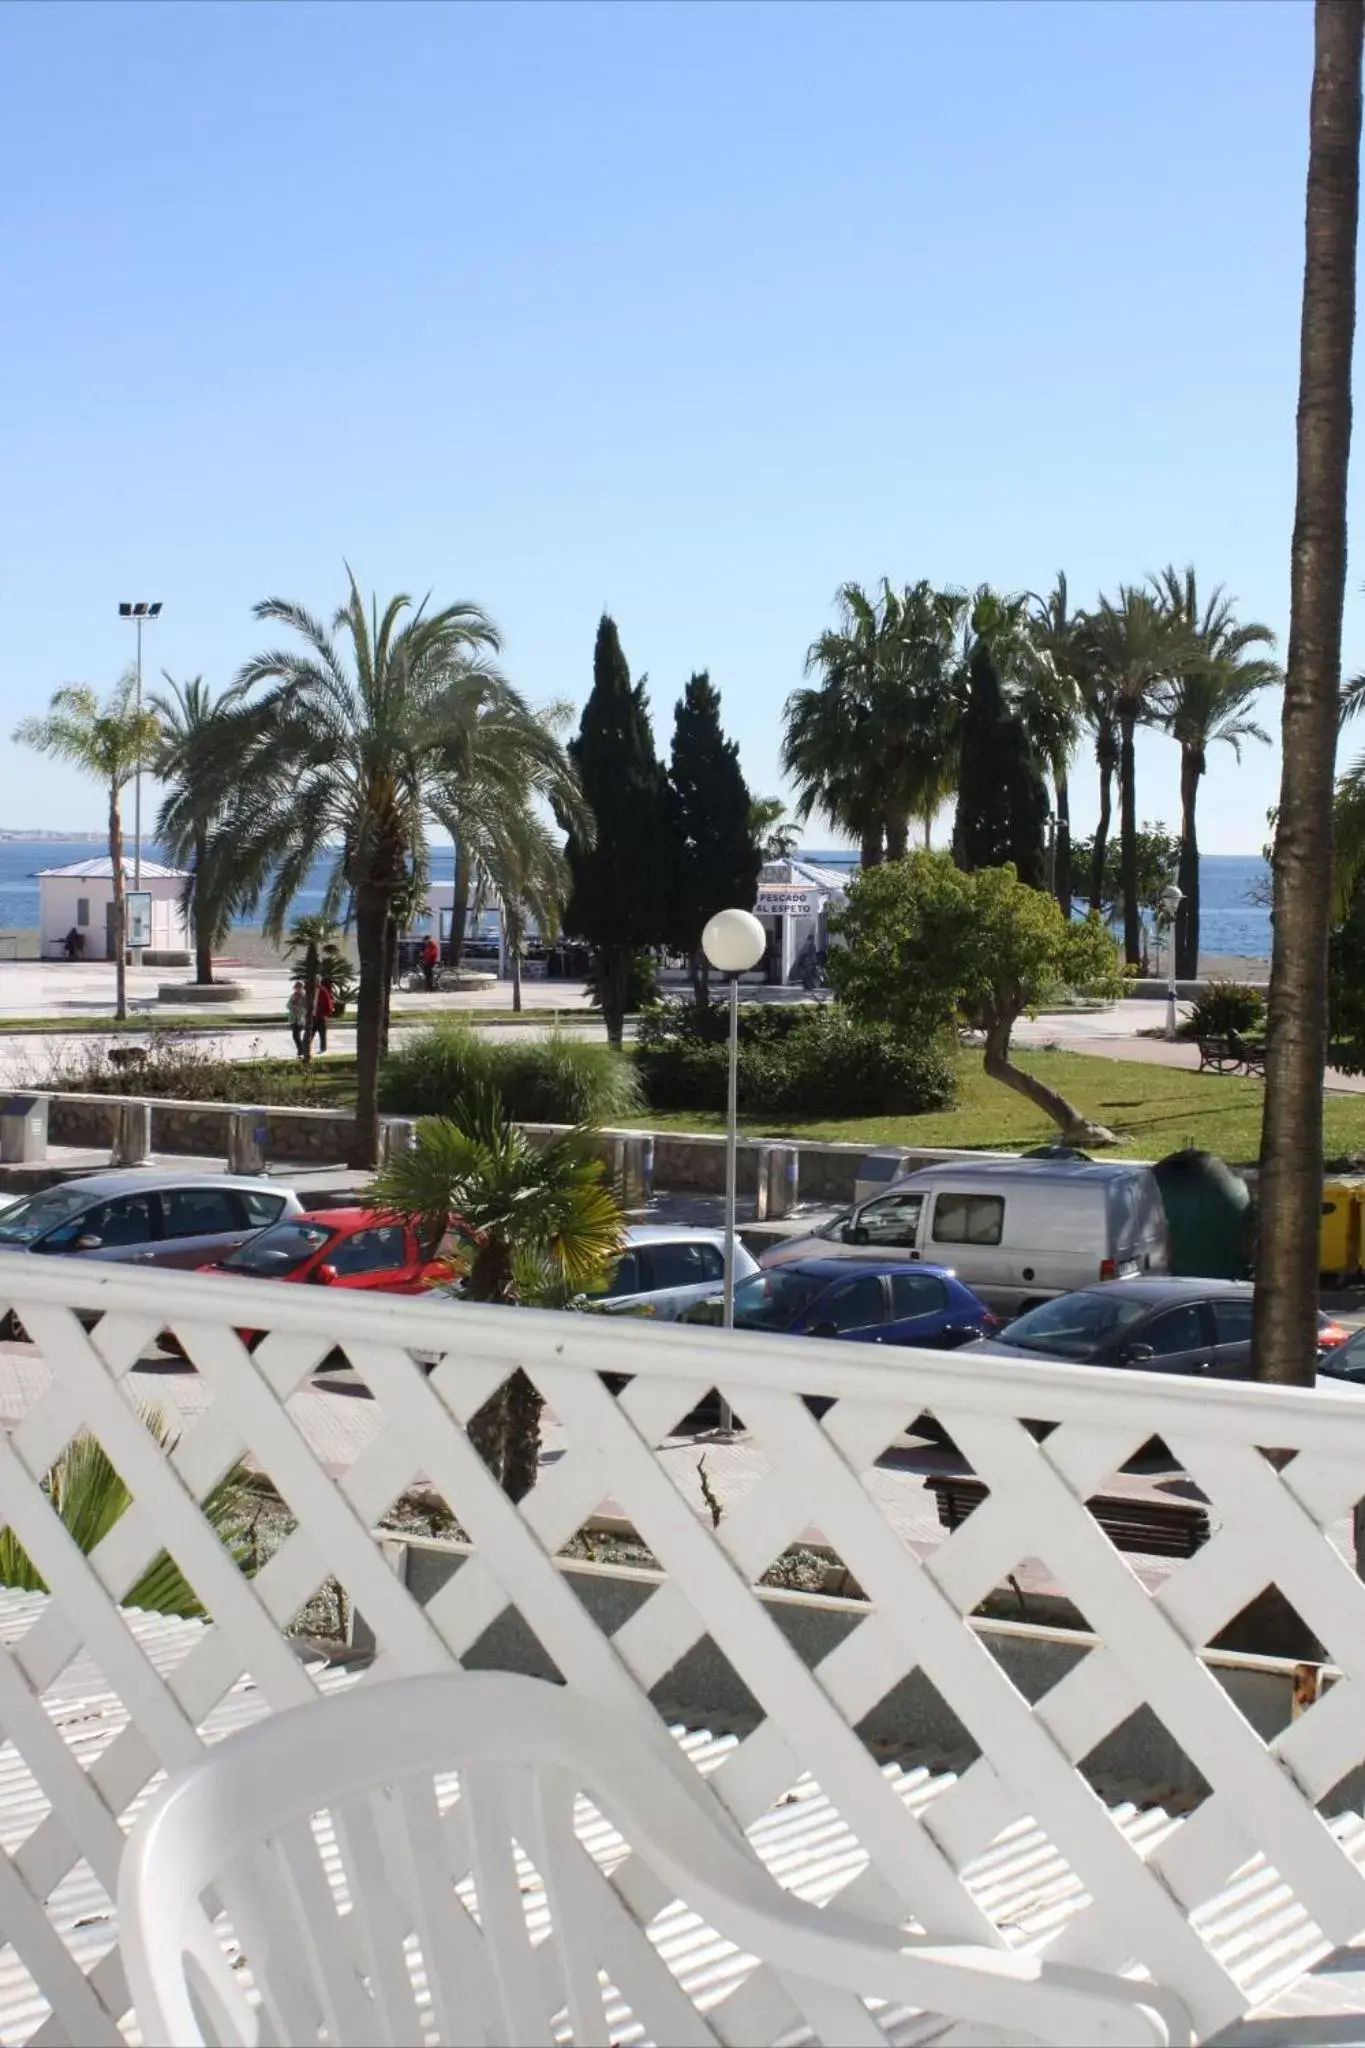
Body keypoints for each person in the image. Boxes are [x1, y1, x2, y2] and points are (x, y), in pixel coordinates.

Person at [312, 978, 336, 1055]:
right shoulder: (312, 990)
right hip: (313, 1015)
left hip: (321, 1016)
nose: (316, 983)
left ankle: (323, 1049)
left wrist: (325, 1014)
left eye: (317, 982)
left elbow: (328, 1004)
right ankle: (306, 1048)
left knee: (322, 1033)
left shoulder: (323, 991)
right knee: (310, 1032)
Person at [287, 979, 308, 1058]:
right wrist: (293, 1006)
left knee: (296, 1035)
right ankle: (301, 1050)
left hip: (300, 1019)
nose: (297, 989)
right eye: (296, 987)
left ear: (302, 988)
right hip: (293, 1018)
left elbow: (305, 1008)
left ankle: (301, 1051)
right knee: (295, 1036)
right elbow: (288, 1005)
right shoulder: (293, 995)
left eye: (299, 987)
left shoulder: (304, 996)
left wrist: (296, 1008)